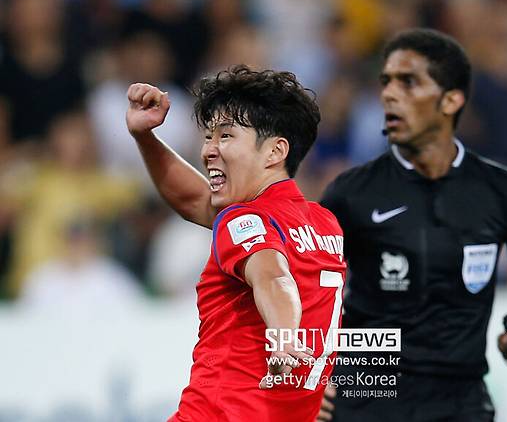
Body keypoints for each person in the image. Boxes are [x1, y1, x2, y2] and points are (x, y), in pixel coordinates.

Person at [318, 28, 507, 421]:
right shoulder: (350, 195)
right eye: (386, 82)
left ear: (451, 100)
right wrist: (310, 378)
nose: (389, 94)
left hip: (460, 398)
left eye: (408, 82)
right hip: (366, 391)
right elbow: (301, 291)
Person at [125, 65, 346, 421]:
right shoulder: (325, 225)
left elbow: (273, 276)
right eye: (209, 137)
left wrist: (285, 338)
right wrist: (146, 138)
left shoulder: (243, 219)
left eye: (225, 136)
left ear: (275, 152)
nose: (208, 151)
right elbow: (193, 200)